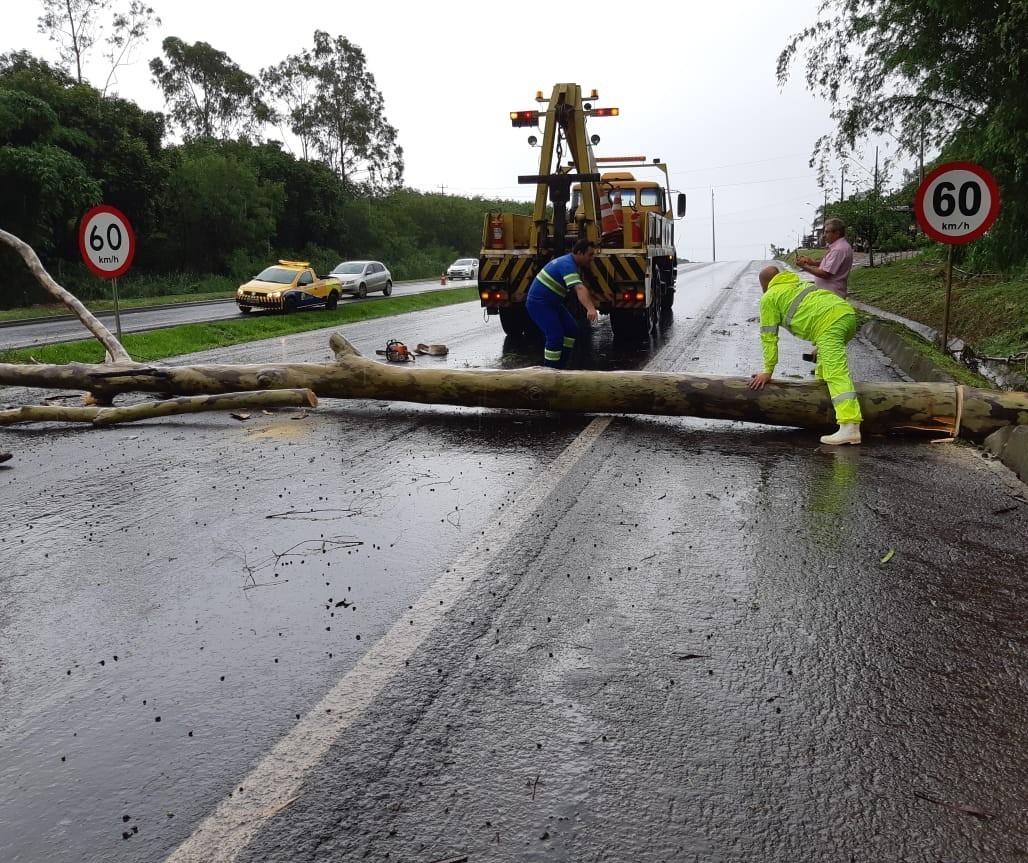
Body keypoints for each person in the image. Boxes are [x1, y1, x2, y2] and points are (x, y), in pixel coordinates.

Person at [748, 265, 863, 445]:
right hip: (847, 316)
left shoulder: (769, 297)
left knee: (835, 374)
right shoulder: (797, 284)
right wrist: (821, 345)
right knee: (823, 372)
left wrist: (768, 371)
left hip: (829, 324)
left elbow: (768, 338)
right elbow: (814, 309)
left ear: (765, 284)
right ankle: (824, 413)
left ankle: (850, 425)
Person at [525, 239, 599, 368]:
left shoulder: (570, 263)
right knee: (555, 336)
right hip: (539, 303)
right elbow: (580, 288)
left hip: (553, 303)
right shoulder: (567, 264)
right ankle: (550, 372)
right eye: (590, 255)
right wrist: (590, 308)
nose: (592, 258)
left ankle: (561, 367)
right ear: (580, 253)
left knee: (571, 329)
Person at [795, 218, 854, 298]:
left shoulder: (838, 250)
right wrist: (812, 263)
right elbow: (831, 265)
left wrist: (804, 267)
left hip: (831, 295)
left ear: (837, 233)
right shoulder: (838, 247)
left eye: (827, 232)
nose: (824, 235)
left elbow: (825, 274)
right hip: (829, 294)